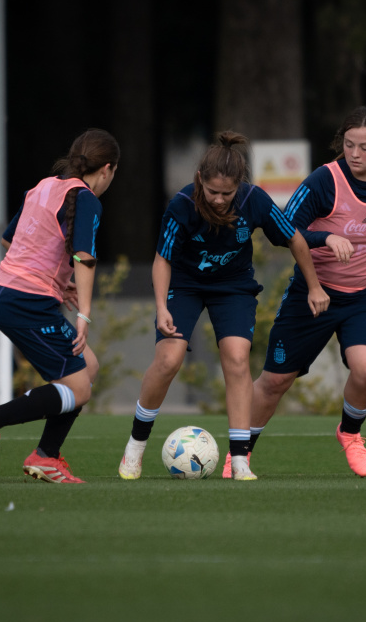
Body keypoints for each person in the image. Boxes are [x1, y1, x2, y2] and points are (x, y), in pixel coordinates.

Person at [117, 131, 330, 481]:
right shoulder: (182, 204)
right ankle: (135, 448)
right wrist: (162, 307)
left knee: (237, 359)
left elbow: (295, 239)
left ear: (240, 186)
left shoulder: (254, 201)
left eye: (226, 194)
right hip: (184, 285)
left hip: (233, 287)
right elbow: (161, 260)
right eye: (212, 191)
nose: (217, 200)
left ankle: (241, 460)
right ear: (199, 178)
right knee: (169, 359)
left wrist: (315, 286)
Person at [245, 106, 366, 478]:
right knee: (275, 380)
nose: (355, 155)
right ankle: (240, 454)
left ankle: (350, 433)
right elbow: (284, 229)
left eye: (364, 147)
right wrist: (325, 236)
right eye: (348, 145)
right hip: (313, 293)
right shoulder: (323, 182)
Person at [0, 128, 120, 484]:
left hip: (5, 294)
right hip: (27, 302)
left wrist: (57, 283)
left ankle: (46, 456)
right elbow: (84, 257)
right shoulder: (85, 199)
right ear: (108, 169)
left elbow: (9, 239)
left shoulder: (45, 185)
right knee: (79, 387)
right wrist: (83, 315)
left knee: (88, 368)